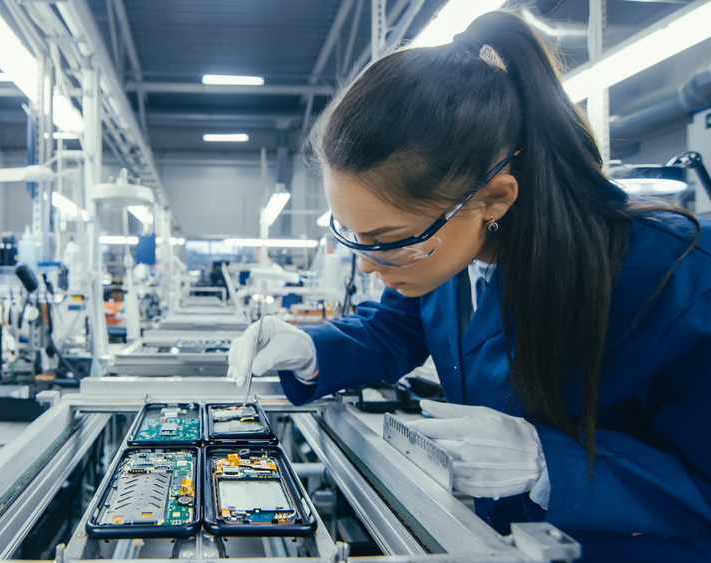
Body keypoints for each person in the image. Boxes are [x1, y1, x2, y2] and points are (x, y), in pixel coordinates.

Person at [228, 11, 711, 562]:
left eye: (388, 239)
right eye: (353, 235)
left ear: (496, 198)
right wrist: (311, 349)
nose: (367, 265)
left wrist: (551, 463)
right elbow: (393, 328)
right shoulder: (446, 252)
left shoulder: (675, 274)